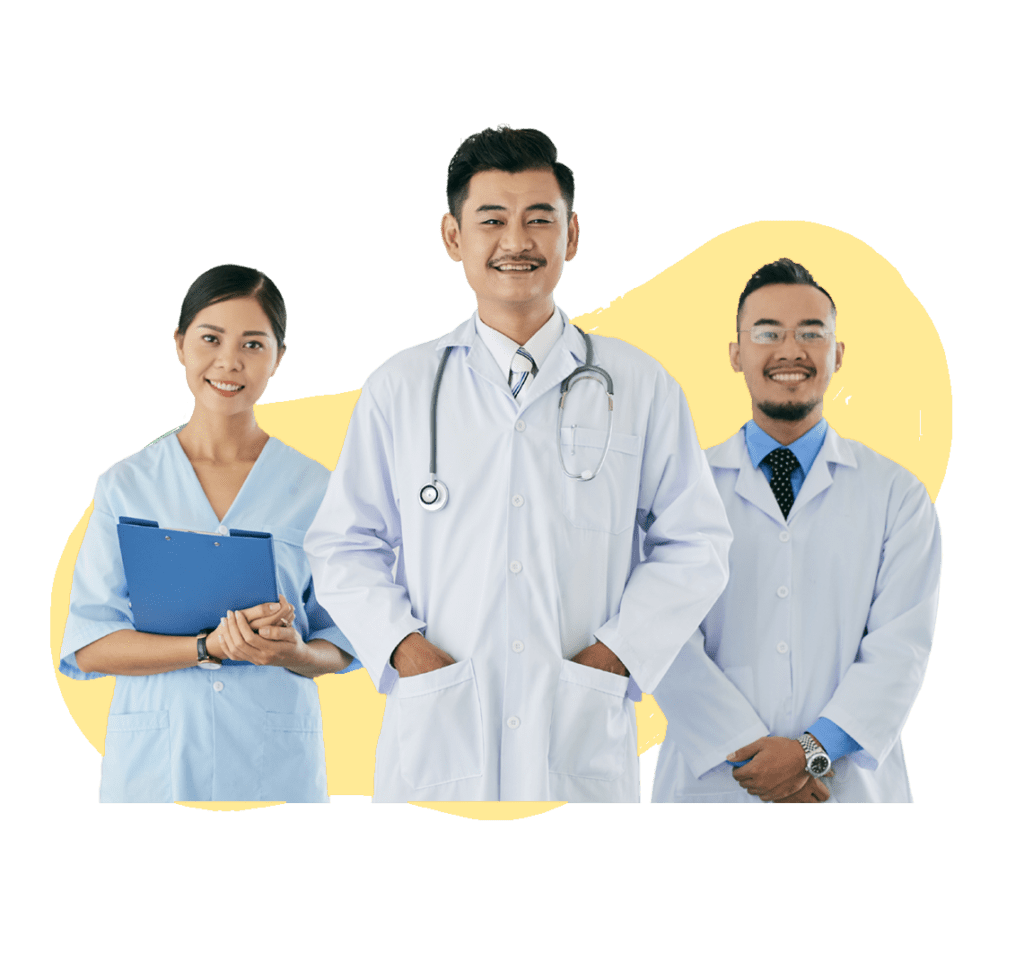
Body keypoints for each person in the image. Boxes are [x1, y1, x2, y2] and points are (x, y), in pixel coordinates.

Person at [304, 125, 732, 803]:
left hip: (578, 732)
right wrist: (403, 651)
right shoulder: (402, 385)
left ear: (572, 235)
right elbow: (341, 544)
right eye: (492, 220)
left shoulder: (638, 383)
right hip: (438, 733)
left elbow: (697, 542)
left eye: (540, 219)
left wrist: (616, 654)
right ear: (453, 238)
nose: (516, 242)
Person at [60, 264, 359, 803]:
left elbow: (343, 641)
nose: (229, 362)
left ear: (278, 356)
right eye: (210, 339)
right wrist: (206, 647)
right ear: (179, 344)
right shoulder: (126, 484)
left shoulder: (317, 489)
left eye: (252, 344)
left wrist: (292, 652)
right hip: (157, 764)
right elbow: (91, 646)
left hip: (275, 761)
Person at [651, 258, 943, 804]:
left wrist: (812, 751)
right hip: (714, 788)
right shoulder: (680, 488)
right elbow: (664, 641)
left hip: (846, 788)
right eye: (767, 334)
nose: (790, 350)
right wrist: (753, 752)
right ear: (736, 355)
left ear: (837, 354)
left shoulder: (896, 495)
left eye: (812, 333)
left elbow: (900, 648)